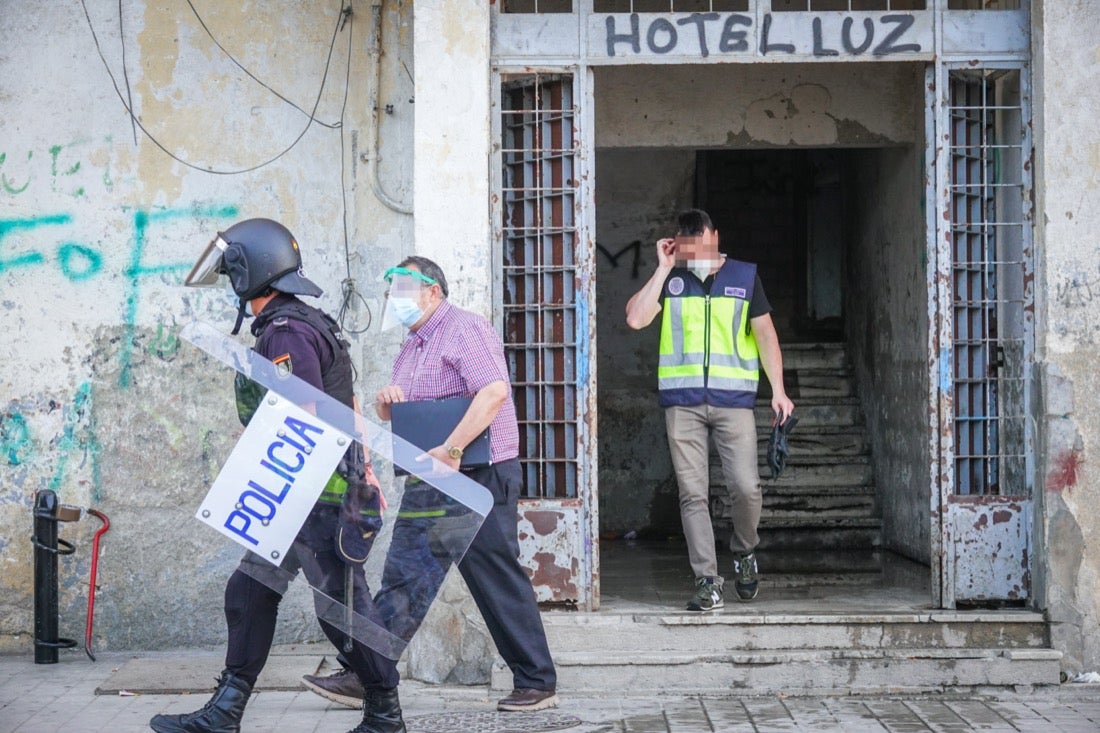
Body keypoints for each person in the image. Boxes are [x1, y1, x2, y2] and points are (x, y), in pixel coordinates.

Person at [152, 218, 405, 733]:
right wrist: (366, 469)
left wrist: (352, 475)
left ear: (253, 269)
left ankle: (385, 713)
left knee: (341, 607)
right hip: (300, 489)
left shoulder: (288, 330)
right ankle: (225, 711)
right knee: (249, 591)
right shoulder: (302, 321)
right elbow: (346, 401)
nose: (229, 282)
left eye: (232, 272)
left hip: (314, 492)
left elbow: (306, 412)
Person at [304, 255, 559, 713]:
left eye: (402, 289)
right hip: (430, 475)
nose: (393, 298)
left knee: (494, 575)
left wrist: (455, 450)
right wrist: (387, 405)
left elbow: (494, 392)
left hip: (476, 472)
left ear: (432, 291)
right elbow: (409, 413)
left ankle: (537, 680)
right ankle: (368, 673)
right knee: (403, 576)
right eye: (391, 290)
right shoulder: (413, 343)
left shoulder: (465, 328)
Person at [625, 209, 795, 612]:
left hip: (733, 402)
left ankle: (745, 550)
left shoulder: (743, 276)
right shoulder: (673, 280)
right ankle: (707, 580)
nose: (697, 252)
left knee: (745, 487)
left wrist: (779, 390)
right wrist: (663, 269)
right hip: (682, 405)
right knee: (692, 495)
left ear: (715, 237)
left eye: (702, 243)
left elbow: (765, 334)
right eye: (688, 247)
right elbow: (635, 318)